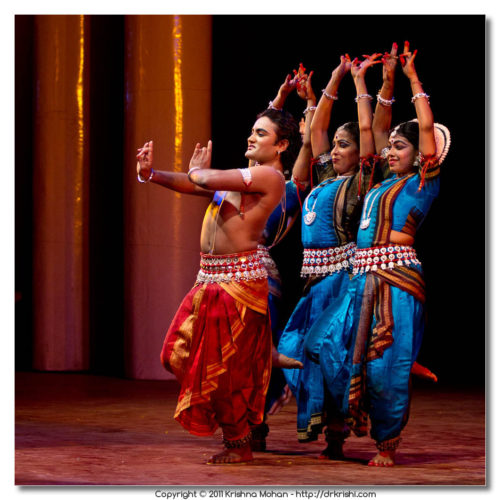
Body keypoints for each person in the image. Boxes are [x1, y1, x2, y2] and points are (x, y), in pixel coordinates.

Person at [311, 42, 451, 466]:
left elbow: (425, 133)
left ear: (421, 155)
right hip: (360, 280)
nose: (391, 152)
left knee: (386, 364)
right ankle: (335, 433)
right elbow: (372, 130)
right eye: (391, 147)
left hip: (396, 281)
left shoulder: (421, 182)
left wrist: (411, 80)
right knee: (327, 349)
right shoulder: (377, 182)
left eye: (400, 148)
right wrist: (367, 83)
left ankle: (386, 445)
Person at [136, 108, 301, 464]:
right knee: (177, 355)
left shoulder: (270, 179)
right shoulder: (242, 179)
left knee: (226, 372)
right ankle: (235, 435)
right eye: (252, 131)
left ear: (281, 145)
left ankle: (238, 444)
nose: (251, 138)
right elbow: (196, 183)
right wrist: (152, 174)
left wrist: (199, 173)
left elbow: (204, 179)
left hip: (239, 284)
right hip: (210, 280)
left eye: (261, 134)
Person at [277, 53, 382, 459]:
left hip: (344, 284)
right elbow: (315, 130)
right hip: (315, 283)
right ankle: (327, 427)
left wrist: (358, 87)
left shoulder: (362, 182)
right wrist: (333, 80)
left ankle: (338, 430)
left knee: (328, 352)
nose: (335, 150)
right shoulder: (324, 177)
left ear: (360, 152)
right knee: (293, 347)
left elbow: (368, 128)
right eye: (335, 145)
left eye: (344, 145)